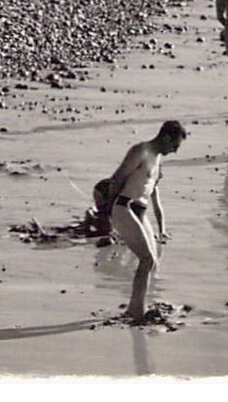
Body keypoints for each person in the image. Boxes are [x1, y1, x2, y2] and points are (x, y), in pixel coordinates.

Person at [93, 120, 188, 322]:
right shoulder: (141, 151)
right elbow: (117, 178)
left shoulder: (158, 158)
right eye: (175, 145)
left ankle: (134, 307)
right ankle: (136, 312)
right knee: (146, 259)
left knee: (152, 263)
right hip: (124, 207)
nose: (175, 151)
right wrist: (106, 212)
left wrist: (162, 227)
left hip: (140, 211)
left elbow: (151, 194)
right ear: (165, 137)